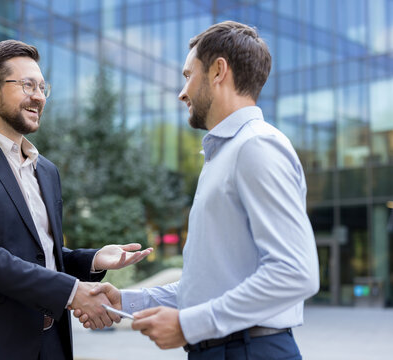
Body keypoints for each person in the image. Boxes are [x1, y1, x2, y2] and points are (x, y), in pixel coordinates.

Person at [78, 21, 320, 359]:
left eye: (188, 75)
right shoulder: (226, 154)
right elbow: (211, 283)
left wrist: (189, 325)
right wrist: (129, 301)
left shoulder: (256, 147)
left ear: (218, 71)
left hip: (249, 350)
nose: (182, 92)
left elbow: (296, 273)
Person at [0, 39, 151, 360]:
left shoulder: (46, 170)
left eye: (43, 87)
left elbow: (40, 253)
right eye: (27, 85)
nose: (39, 96)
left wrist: (94, 259)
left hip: (51, 344)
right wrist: (73, 293)